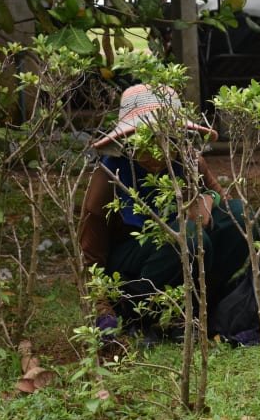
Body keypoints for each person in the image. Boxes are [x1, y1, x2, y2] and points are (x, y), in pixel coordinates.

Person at [78, 83, 246, 343]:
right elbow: (90, 257)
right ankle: (141, 315)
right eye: (145, 141)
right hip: (131, 262)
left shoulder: (189, 161)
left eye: (165, 139)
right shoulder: (109, 175)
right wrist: (103, 310)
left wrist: (207, 197)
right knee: (186, 235)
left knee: (240, 217)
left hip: (181, 248)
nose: (156, 152)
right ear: (128, 141)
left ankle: (199, 308)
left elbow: (226, 205)